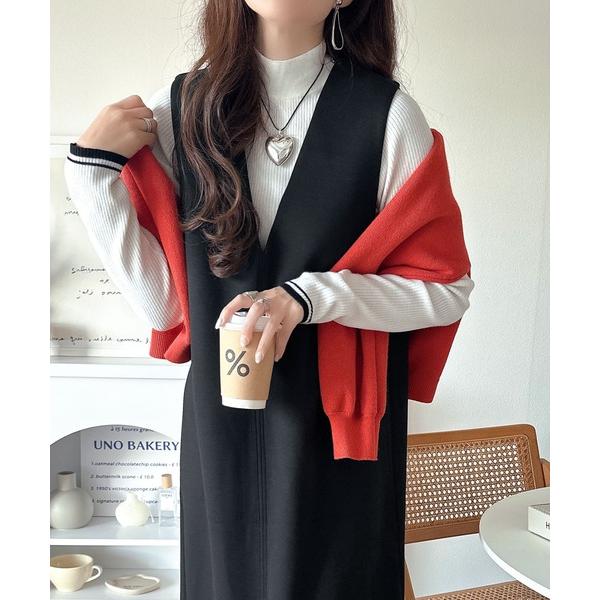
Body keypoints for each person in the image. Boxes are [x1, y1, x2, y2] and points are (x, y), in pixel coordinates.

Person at [64, 1, 474, 598]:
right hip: (221, 425)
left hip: (339, 432)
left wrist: (308, 297)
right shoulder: (180, 111)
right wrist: (91, 174)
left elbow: (444, 289)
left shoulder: (385, 114)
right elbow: (168, 310)